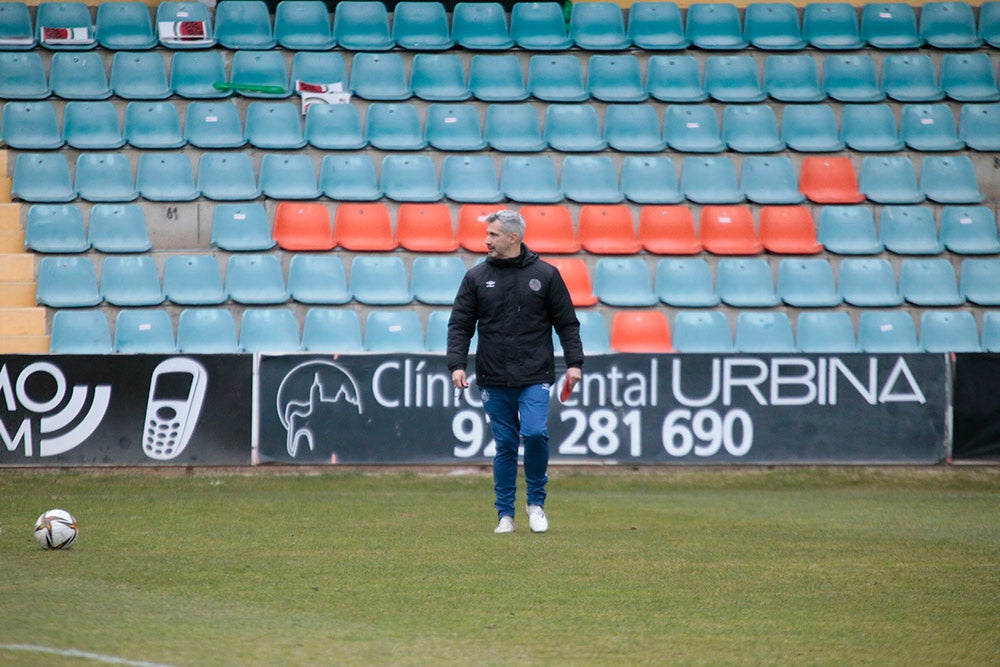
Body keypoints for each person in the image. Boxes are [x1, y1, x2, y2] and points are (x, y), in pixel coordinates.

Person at [447, 209, 584, 534]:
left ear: (513, 237)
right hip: (493, 376)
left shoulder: (546, 275)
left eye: (492, 235)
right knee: (505, 444)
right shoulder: (476, 277)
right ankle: (504, 515)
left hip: (535, 374)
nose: (486, 241)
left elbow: (567, 323)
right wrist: (456, 364)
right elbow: (460, 325)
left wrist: (575, 363)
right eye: (487, 235)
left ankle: (535, 503)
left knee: (535, 434)